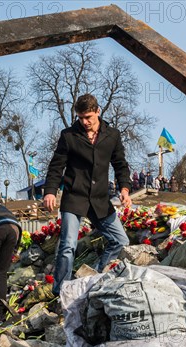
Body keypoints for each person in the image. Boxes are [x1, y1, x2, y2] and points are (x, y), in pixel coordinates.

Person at [43, 93, 132, 295]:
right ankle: (61, 290)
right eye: (80, 117)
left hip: (100, 199)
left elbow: (121, 165)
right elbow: (56, 167)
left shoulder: (113, 135)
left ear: (98, 111)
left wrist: (124, 189)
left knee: (121, 241)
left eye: (88, 117)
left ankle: (97, 276)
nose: (84, 122)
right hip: (74, 197)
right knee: (67, 246)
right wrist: (50, 192)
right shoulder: (68, 136)